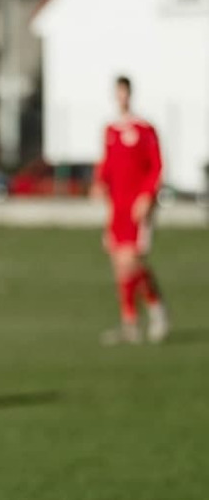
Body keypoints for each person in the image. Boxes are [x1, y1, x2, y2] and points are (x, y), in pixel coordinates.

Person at [91, 75, 168, 345]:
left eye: (124, 92)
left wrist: (147, 196)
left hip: (138, 208)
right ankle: (130, 323)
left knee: (131, 262)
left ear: (130, 94)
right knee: (119, 264)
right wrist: (99, 183)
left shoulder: (144, 129)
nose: (121, 97)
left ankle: (157, 310)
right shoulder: (111, 130)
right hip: (117, 206)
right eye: (118, 93)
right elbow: (107, 165)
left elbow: (157, 166)